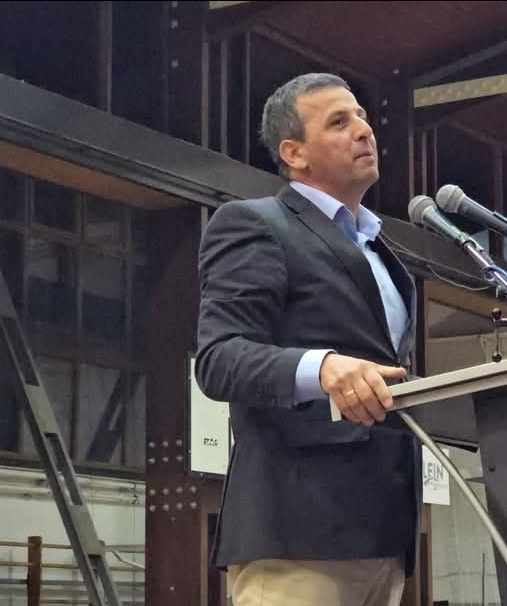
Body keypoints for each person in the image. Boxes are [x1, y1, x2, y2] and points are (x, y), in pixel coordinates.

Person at [195, 72, 421, 606]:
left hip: (384, 534)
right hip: (298, 536)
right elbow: (219, 357)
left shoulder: (381, 252)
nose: (364, 130)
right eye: (339, 122)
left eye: (362, 116)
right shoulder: (255, 224)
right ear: (294, 153)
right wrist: (322, 367)